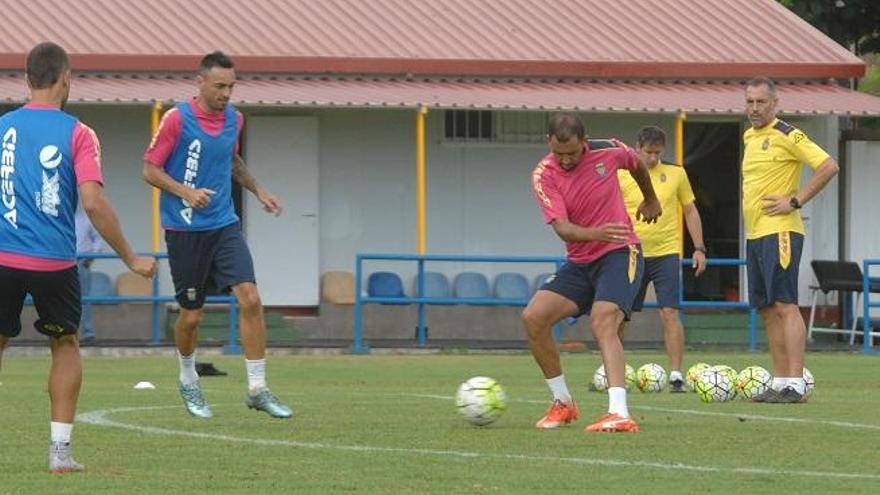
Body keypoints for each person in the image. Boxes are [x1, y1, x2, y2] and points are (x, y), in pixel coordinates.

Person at [0, 42, 156, 473]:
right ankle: (59, 453)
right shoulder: (79, 133)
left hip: (2, 259)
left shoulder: (3, 128)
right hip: (54, 263)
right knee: (65, 344)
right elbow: (93, 203)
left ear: (27, 79)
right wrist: (130, 257)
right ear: (66, 79)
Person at [142, 51, 292, 420]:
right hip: (184, 230)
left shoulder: (234, 120)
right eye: (220, 85)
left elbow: (231, 160)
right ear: (201, 82)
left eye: (231, 86)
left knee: (251, 298)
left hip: (224, 225)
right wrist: (186, 192)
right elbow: (149, 169)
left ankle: (257, 388)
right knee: (192, 317)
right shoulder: (177, 119)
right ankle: (188, 378)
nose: (226, 93)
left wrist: (259, 191)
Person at [523, 113, 661, 433]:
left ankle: (618, 412)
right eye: (559, 153)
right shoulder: (544, 174)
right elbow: (563, 229)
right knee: (533, 317)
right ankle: (563, 403)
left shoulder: (608, 151)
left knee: (602, 318)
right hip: (581, 260)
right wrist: (597, 232)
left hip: (621, 251)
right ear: (549, 144)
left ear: (584, 143)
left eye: (572, 152)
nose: (566, 159)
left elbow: (638, 164)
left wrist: (650, 199)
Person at [741, 77, 839, 403]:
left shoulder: (788, 134)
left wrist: (795, 200)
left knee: (785, 304)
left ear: (774, 103)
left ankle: (796, 383)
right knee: (768, 309)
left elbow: (828, 166)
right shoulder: (749, 136)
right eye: (750, 102)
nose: (755, 108)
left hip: (780, 231)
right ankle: (780, 381)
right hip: (755, 234)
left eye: (761, 102)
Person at [617, 126, 707, 392]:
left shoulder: (677, 173)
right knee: (619, 315)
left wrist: (699, 248)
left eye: (658, 153)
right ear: (637, 148)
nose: (653, 158)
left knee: (669, 312)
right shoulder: (622, 175)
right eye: (648, 153)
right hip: (631, 252)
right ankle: (614, 372)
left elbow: (690, 211)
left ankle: (676, 375)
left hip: (666, 253)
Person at [74, 205, 105, 343]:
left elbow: (98, 239)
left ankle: (87, 332)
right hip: (62, 259)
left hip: (82, 260)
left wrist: (92, 256)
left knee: (84, 298)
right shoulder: (59, 216)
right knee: (60, 298)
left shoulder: (86, 218)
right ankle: (65, 331)